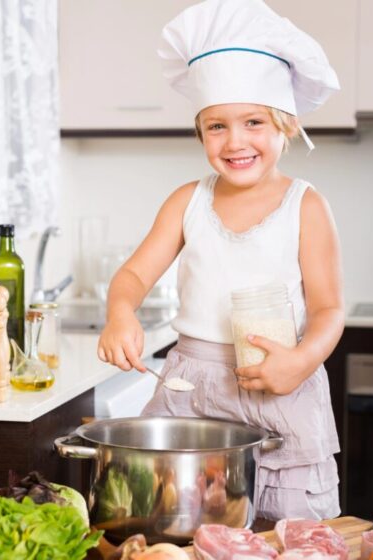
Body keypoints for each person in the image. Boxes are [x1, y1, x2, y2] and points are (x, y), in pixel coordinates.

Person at [98, 0, 344, 521]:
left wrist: (300, 361)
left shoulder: (307, 205)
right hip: (190, 389)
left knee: (291, 533)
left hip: (279, 385)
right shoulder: (187, 200)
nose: (235, 142)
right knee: (173, 524)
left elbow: (328, 310)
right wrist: (121, 313)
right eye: (217, 127)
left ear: (287, 126)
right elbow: (135, 274)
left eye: (254, 121)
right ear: (200, 132)